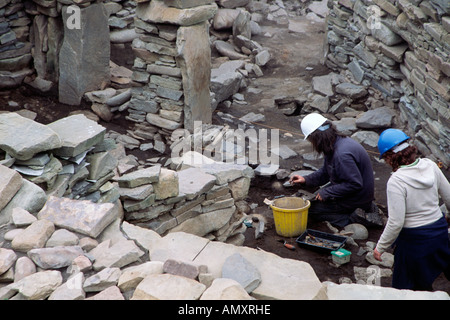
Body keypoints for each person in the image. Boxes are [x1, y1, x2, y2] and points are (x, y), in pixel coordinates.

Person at [373, 128, 450, 291]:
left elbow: (396, 222)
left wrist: (380, 247)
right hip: (439, 231)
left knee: (406, 286)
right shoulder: (431, 165)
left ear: (389, 157)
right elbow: (449, 197)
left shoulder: (396, 181)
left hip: (415, 241)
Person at [289, 113, 375, 228]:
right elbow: (326, 172)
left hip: (358, 198)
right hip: (354, 192)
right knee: (316, 197)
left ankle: (353, 220)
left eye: (311, 140)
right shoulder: (336, 142)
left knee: (311, 209)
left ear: (316, 138)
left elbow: (354, 184)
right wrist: (306, 179)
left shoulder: (341, 154)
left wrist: (327, 192)